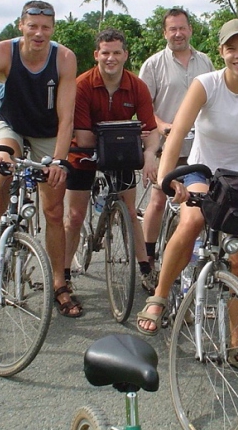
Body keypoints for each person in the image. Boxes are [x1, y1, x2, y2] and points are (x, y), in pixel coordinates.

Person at [136, 18, 238, 375]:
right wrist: (169, 179)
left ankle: (237, 344)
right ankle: (160, 296)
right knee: (194, 219)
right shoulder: (206, 84)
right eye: (231, 48)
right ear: (221, 52)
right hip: (202, 170)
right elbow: (179, 130)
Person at [0, 0, 78, 317]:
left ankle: (59, 284)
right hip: (10, 124)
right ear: (21, 25)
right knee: (4, 164)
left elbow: (66, 118)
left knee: (54, 211)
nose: (39, 33)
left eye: (45, 27)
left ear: (53, 29)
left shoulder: (64, 58)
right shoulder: (2, 52)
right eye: (33, 26)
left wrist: (58, 160)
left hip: (47, 130)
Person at [63, 28, 160, 316]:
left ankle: (145, 268)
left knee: (131, 213)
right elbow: (82, 137)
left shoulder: (136, 86)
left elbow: (151, 129)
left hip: (119, 151)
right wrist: (126, 138)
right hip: (84, 152)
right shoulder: (82, 85)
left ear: (125, 55)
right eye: (105, 52)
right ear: (96, 55)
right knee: (75, 216)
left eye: (117, 52)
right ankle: (64, 274)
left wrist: (150, 154)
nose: (111, 58)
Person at [137, 8, 214, 294]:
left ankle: (196, 264)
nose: (178, 33)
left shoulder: (205, 62)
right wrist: (165, 125)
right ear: (165, 33)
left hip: (198, 150)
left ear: (190, 30)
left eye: (182, 28)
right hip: (166, 145)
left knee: (198, 208)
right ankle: (148, 260)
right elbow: (145, 108)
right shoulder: (154, 64)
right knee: (158, 201)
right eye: (172, 29)